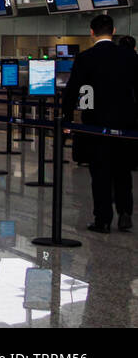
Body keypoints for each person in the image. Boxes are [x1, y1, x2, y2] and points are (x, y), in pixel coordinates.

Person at [63, 14, 138, 233]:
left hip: (95, 126)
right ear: (113, 31)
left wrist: (65, 119)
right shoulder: (130, 57)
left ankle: (103, 219)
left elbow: (72, 90)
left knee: (100, 173)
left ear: (92, 32)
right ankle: (125, 214)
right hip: (126, 126)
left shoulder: (85, 58)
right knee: (123, 171)